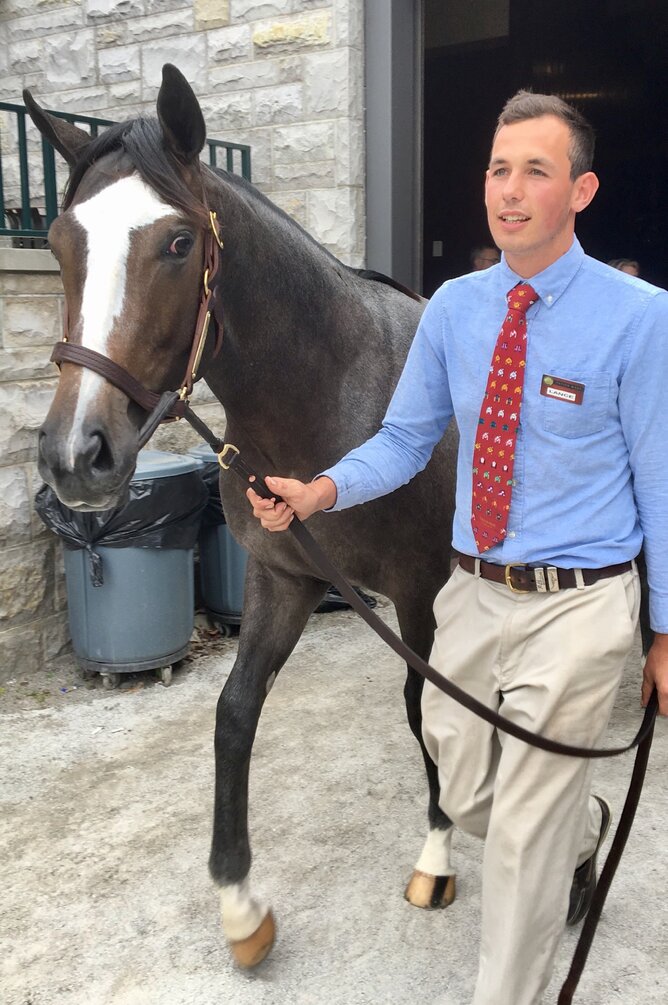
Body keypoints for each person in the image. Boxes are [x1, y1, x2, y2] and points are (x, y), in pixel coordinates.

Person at [247, 91, 668, 1003]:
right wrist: (319, 489)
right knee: (468, 787)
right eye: (497, 168)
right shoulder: (454, 312)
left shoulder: (639, 317)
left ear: (582, 190)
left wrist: (664, 628)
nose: (509, 191)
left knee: (518, 841)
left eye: (536, 171)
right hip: (471, 594)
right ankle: (581, 828)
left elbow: (661, 479)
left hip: (582, 604)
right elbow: (404, 440)